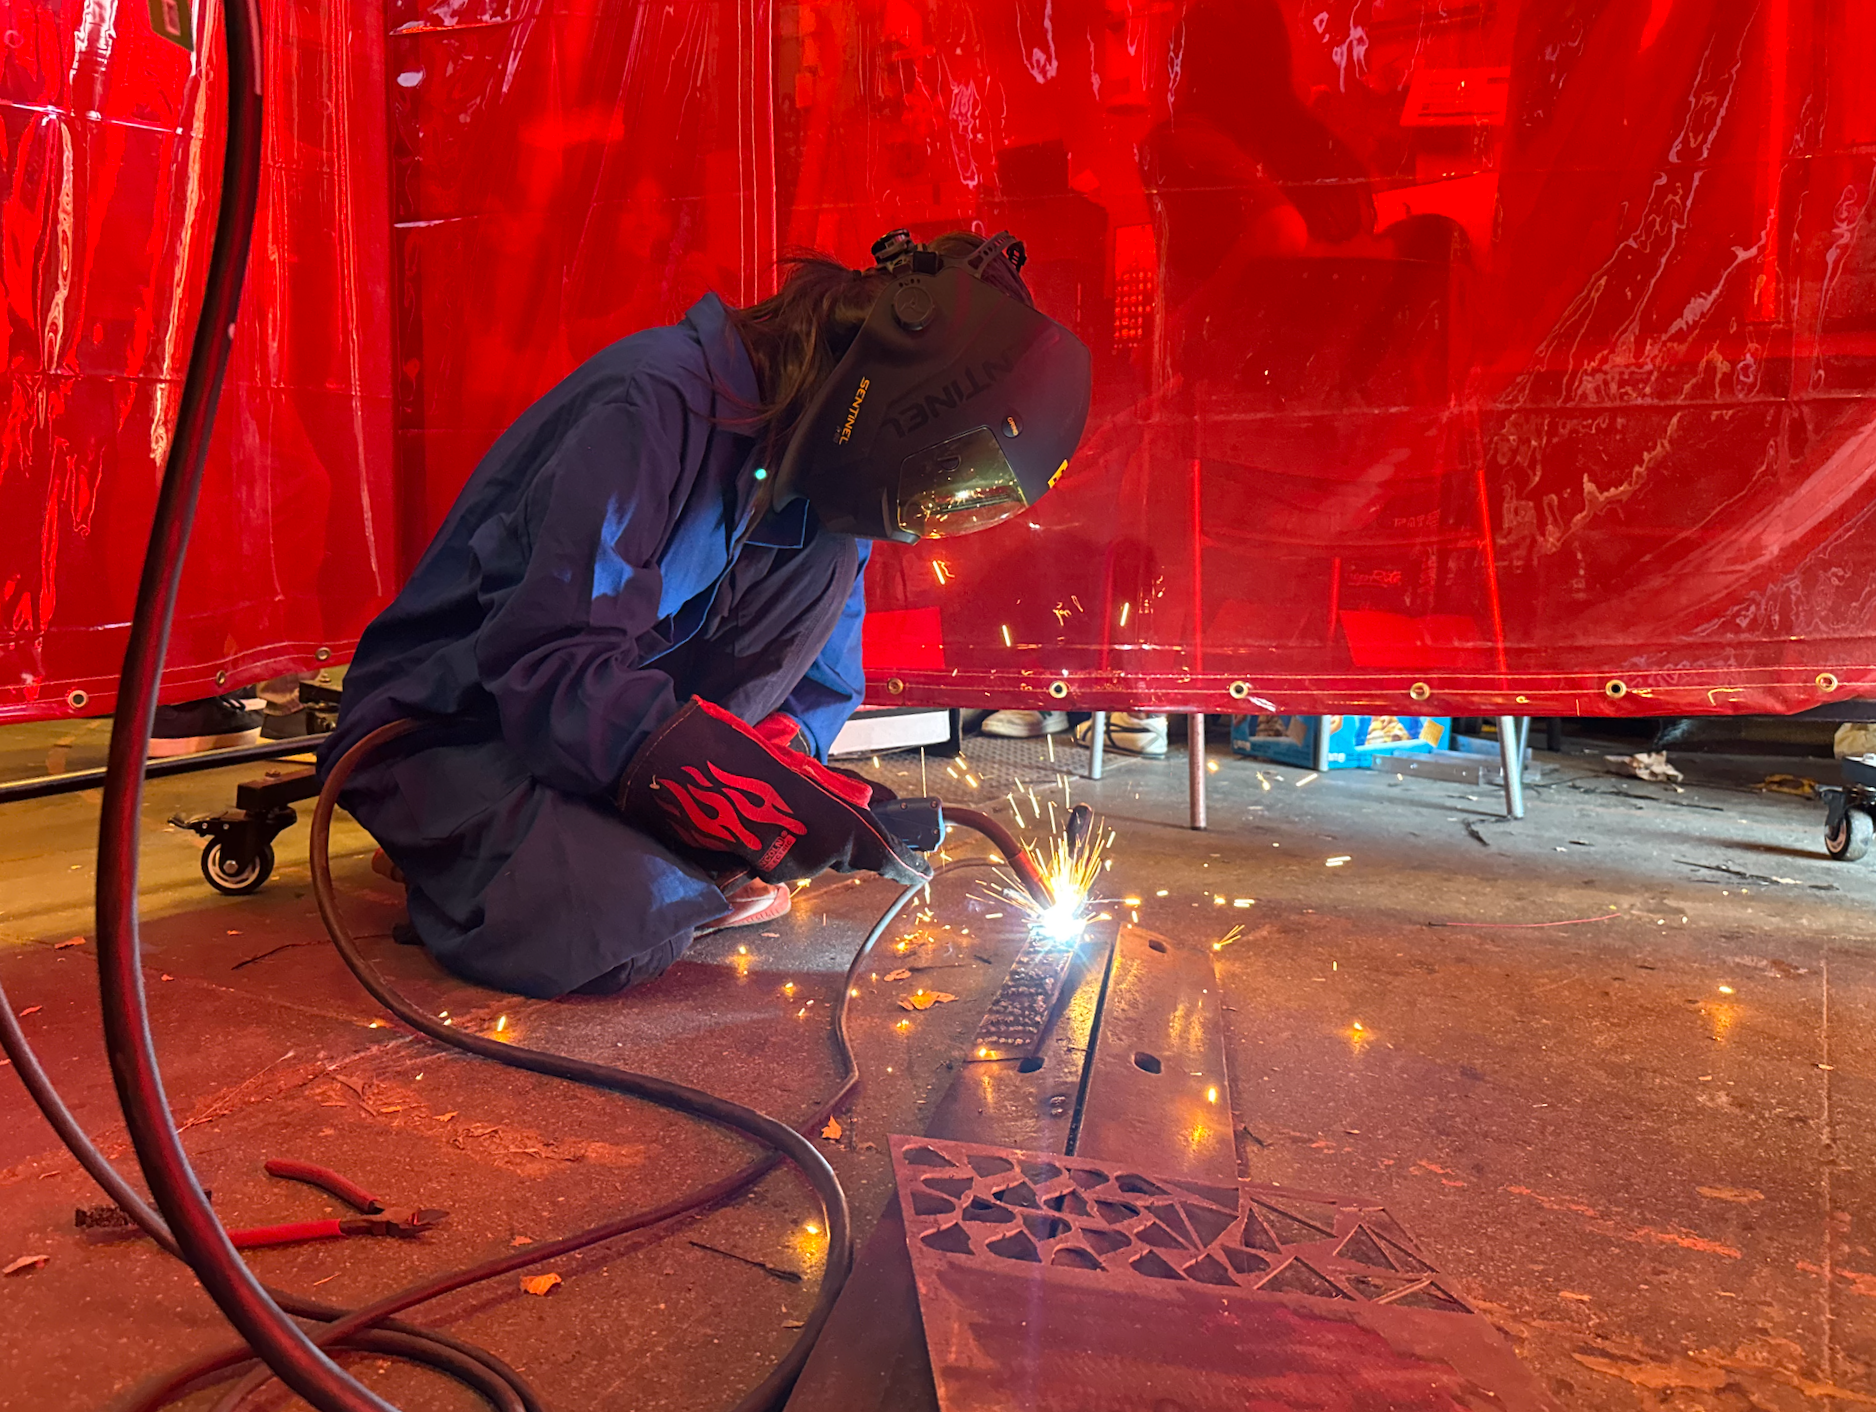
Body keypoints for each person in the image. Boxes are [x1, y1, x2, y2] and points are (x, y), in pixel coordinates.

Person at [321, 230, 1092, 999]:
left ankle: (588, 846)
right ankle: (451, 862)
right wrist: (722, 797)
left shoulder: (823, 477)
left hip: (584, 738)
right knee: (623, 926)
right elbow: (550, 662)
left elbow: (820, 682)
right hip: (453, 727)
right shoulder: (653, 406)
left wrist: (779, 771)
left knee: (822, 553)